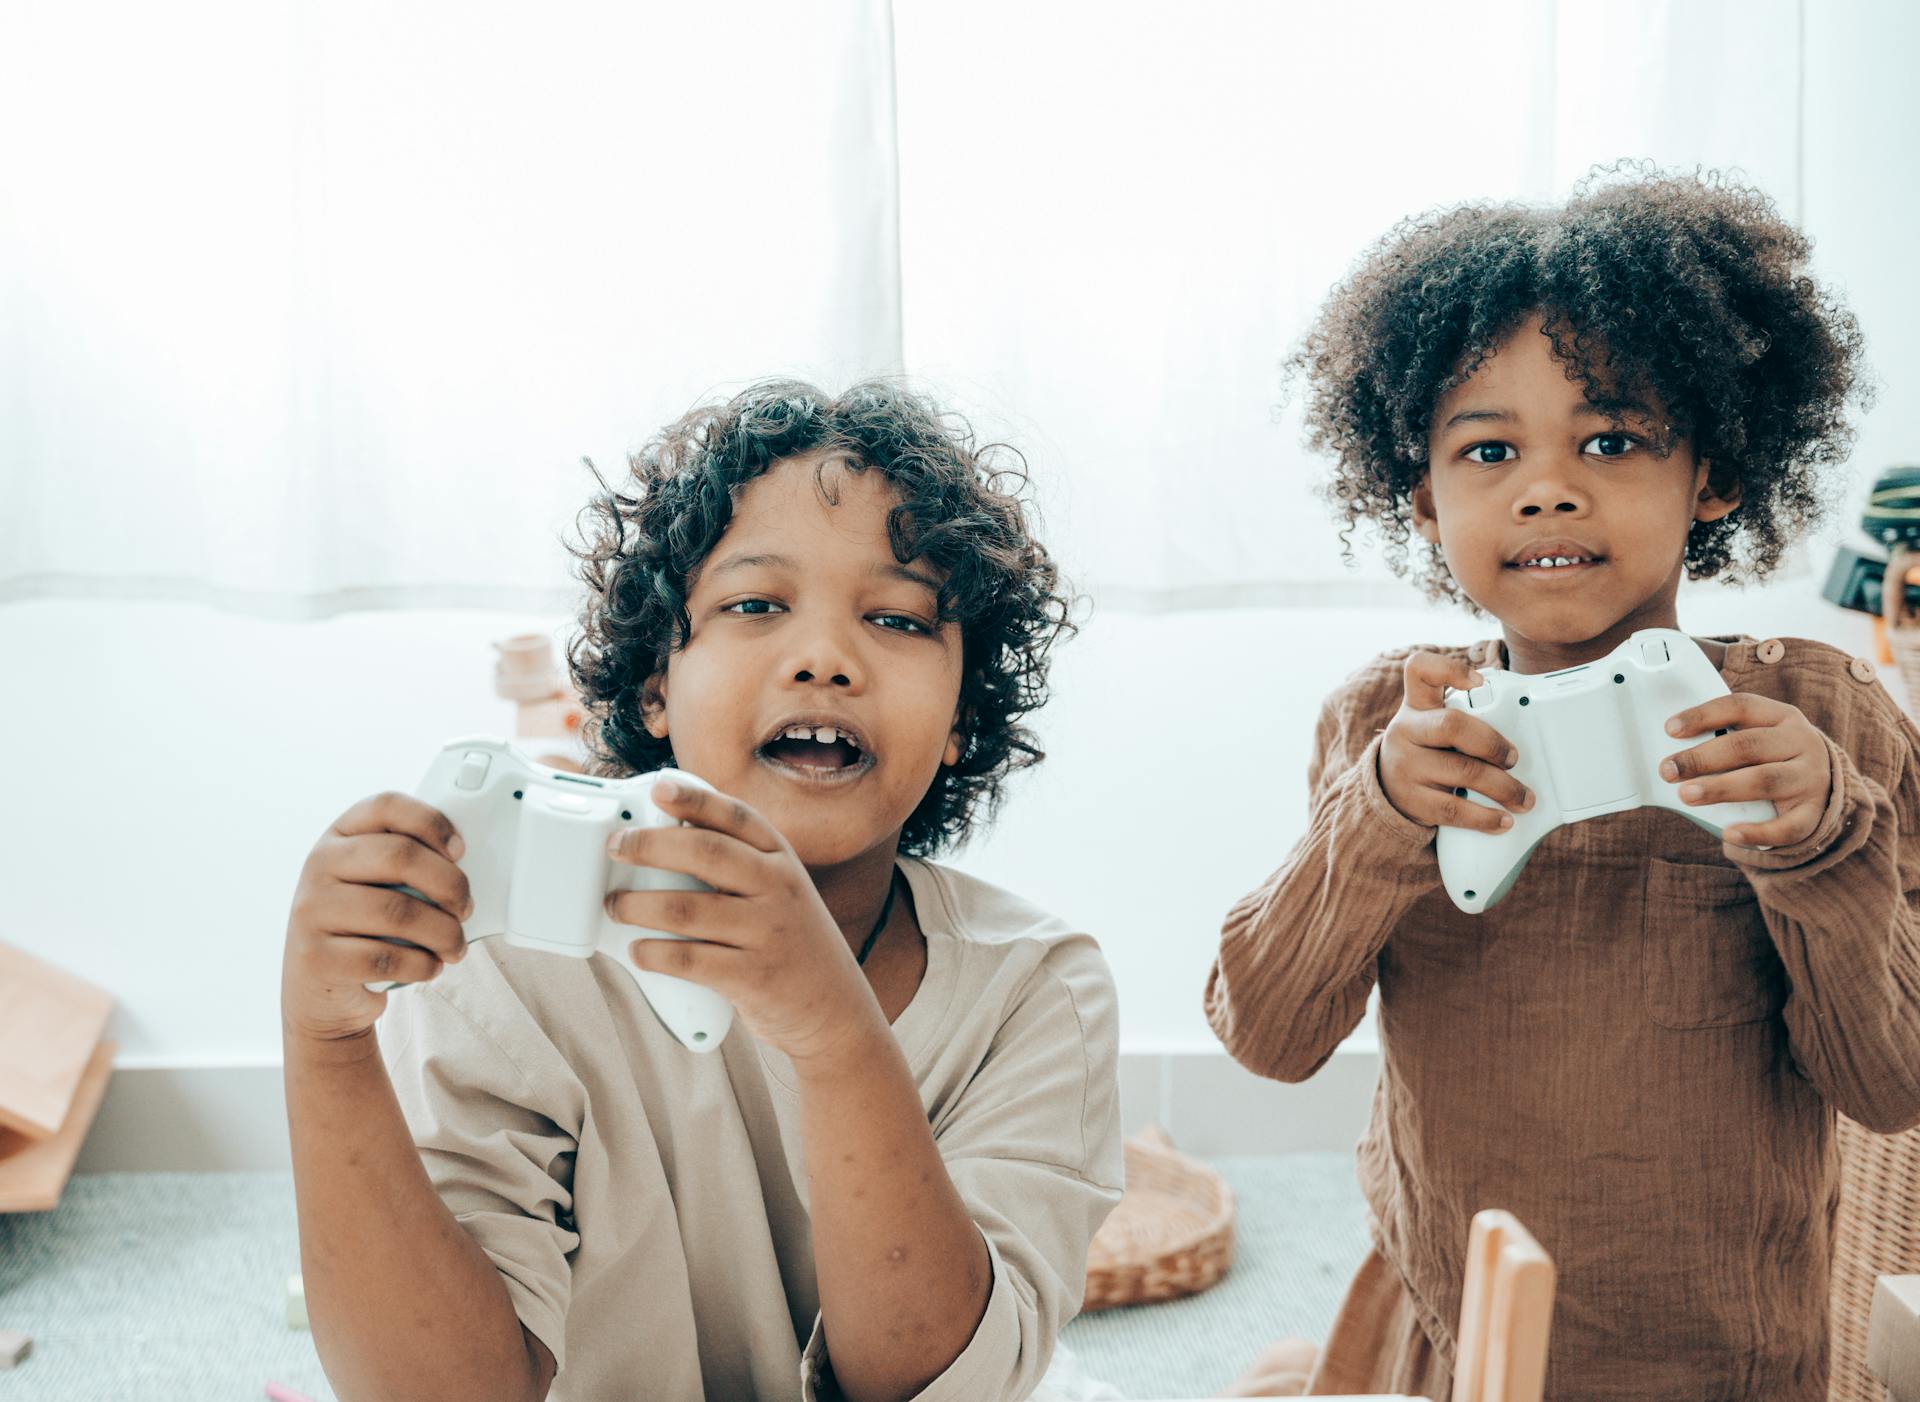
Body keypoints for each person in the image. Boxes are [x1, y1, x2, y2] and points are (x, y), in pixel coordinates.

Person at [1206, 166, 1920, 1400]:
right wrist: (1377, 817)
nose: (1549, 484)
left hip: (1733, 1358)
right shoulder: (1392, 721)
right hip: (1450, 1333)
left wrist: (1821, 841)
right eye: (1490, 448)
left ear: (1715, 474)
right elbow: (1268, 1035)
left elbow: (1891, 1080)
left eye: (1613, 438)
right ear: (1423, 497)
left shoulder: (1820, 720)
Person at [282, 380, 1123, 1402]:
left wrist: (834, 1036)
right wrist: (327, 1049)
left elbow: (932, 1380)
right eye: (755, 604)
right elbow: (443, 1389)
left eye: (897, 618)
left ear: (961, 715)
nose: (824, 659)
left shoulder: (1037, 988)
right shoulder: (510, 959)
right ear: (655, 688)